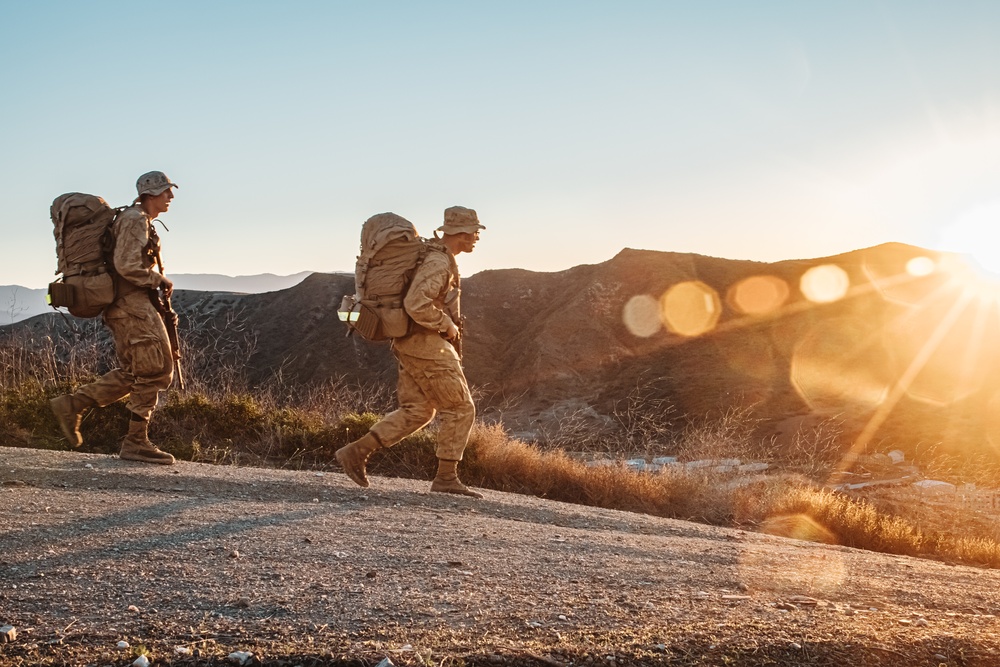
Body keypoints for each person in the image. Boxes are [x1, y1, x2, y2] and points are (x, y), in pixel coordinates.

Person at [336, 205, 486, 498]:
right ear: (458, 233)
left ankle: (355, 452)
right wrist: (446, 325)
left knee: (418, 410)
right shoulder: (438, 261)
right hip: (425, 343)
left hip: (410, 342)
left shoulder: (434, 255)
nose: (476, 238)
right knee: (459, 407)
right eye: (473, 232)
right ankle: (446, 477)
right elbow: (416, 304)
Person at [50, 171, 180, 465]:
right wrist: (157, 278)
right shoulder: (135, 220)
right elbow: (126, 265)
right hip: (131, 306)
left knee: (135, 372)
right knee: (157, 370)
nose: (170, 196)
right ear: (150, 194)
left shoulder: (137, 219)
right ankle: (135, 443)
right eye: (165, 191)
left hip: (127, 306)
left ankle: (72, 405)